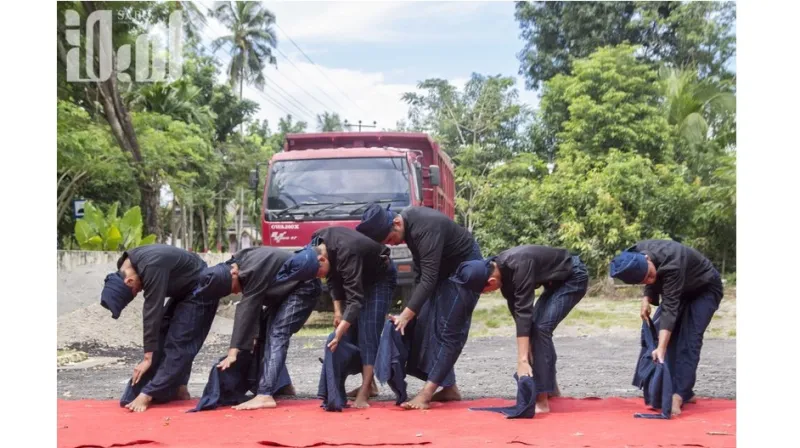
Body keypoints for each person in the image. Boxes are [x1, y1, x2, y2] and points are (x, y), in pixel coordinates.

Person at [356, 204, 482, 408]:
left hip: (466, 269)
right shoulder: (409, 227)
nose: (393, 245)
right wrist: (408, 311)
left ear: (396, 223)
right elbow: (420, 274)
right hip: (443, 272)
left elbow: (429, 278)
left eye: (389, 240)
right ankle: (450, 388)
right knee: (425, 323)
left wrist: (407, 314)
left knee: (448, 329)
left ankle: (426, 395)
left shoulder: (425, 226)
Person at [100, 244, 233, 413]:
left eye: (136, 290)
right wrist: (149, 353)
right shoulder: (127, 264)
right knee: (163, 332)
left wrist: (147, 358)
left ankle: (148, 393)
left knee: (180, 342)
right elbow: (155, 324)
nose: (140, 290)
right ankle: (179, 387)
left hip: (201, 286)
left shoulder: (150, 266)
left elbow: (152, 311)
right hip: (183, 288)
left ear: (129, 281)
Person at [609, 240, 724, 416]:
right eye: (644, 280)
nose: (649, 280)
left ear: (647, 259)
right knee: (656, 335)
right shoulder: (634, 255)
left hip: (705, 288)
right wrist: (646, 298)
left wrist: (661, 349)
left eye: (649, 275)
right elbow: (652, 280)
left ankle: (678, 395)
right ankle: (679, 390)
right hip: (680, 289)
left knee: (689, 340)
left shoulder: (672, 262)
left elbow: (670, 309)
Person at [481, 245, 589, 413]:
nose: (488, 294)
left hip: (573, 277)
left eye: (485, 292)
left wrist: (522, 361)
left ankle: (542, 401)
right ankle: (550, 388)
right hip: (555, 282)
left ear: (490, 283)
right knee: (533, 332)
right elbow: (519, 316)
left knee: (541, 329)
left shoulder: (518, 264)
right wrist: (527, 345)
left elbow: (525, 310)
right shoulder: (504, 273)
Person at [215, 245, 323, 411]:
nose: (236, 293)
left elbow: (247, 308)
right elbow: (253, 307)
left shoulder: (250, 270)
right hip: (286, 291)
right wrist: (253, 334)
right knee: (264, 333)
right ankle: (281, 386)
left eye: (232, 288)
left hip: (304, 285)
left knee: (278, 333)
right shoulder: (241, 261)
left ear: (233, 274)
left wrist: (233, 352)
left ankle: (265, 395)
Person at [310, 226, 397, 408]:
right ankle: (370, 386)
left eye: (319, 273)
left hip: (379, 278)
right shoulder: (317, 242)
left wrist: (340, 332)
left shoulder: (347, 252)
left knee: (368, 333)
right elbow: (332, 279)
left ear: (321, 259)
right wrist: (338, 312)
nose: (320, 277)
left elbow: (355, 300)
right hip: (357, 276)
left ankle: (364, 393)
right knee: (352, 330)